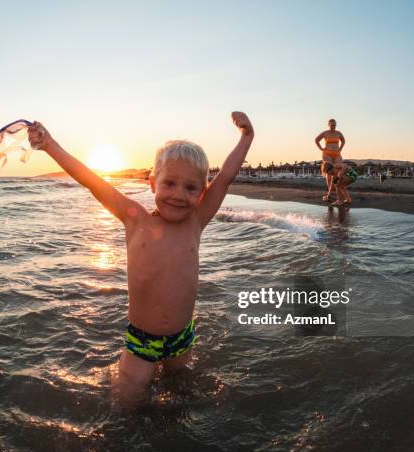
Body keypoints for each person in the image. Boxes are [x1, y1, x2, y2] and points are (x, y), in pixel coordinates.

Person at [27, 112, 254, 404]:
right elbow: (92, 181)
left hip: (181, 338)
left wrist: (246, 138)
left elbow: (225, 178)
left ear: (202, 193)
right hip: (141, 340)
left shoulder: (196, 222)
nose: (178, 195)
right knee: (126, 405)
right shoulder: (135, 219)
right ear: (152, 184)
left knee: (183, 396)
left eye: (190, 188)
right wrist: (50, 145)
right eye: (169, 183)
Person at [315, 119, 345, 201]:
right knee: (329, 172)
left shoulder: (338, 133)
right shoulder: (325, 133)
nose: (333, 126)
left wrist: (340, 149)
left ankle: (337, 189)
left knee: (338, 171)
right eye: (332, 125)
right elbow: (316, 140)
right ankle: (330, 192)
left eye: (334, 125)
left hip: (337, 154)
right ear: (328, 125)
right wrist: (321, 148)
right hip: (327, 154)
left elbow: (343, 141)